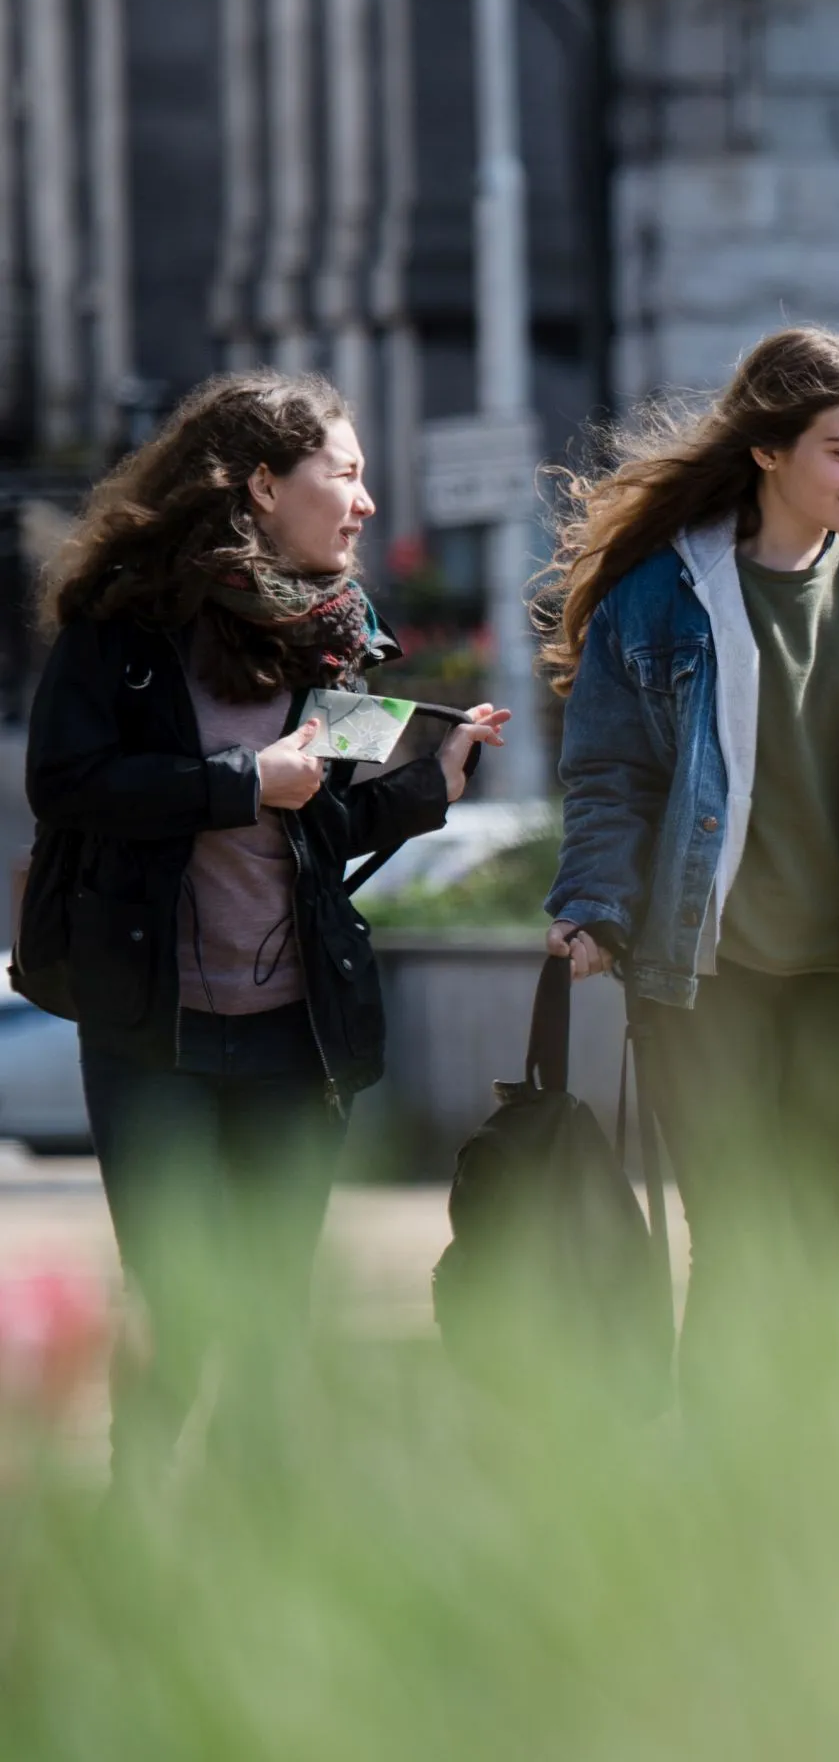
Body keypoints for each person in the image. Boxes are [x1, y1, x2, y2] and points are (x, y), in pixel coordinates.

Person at [14, 372, 508, 1482]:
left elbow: (318, 822)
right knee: (179, 1314)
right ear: (261, 483)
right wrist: (237, 783)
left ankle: (262, 1541)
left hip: (296, 1029)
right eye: (346, 471)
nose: (368, 501)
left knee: (278, 1320)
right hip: (158, 1029)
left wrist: (433, 786)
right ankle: (140, 1518)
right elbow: (70, 782)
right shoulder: (125, 632)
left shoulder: (333, 636)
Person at [540, 327, 839, 1401]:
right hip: (705, 978)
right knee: (739, 1244)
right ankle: (717, 1485)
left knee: (810, 1252)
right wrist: (594, 905)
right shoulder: (663, 599)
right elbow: (610, 775)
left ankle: (792, 1496)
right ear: (767, 452)